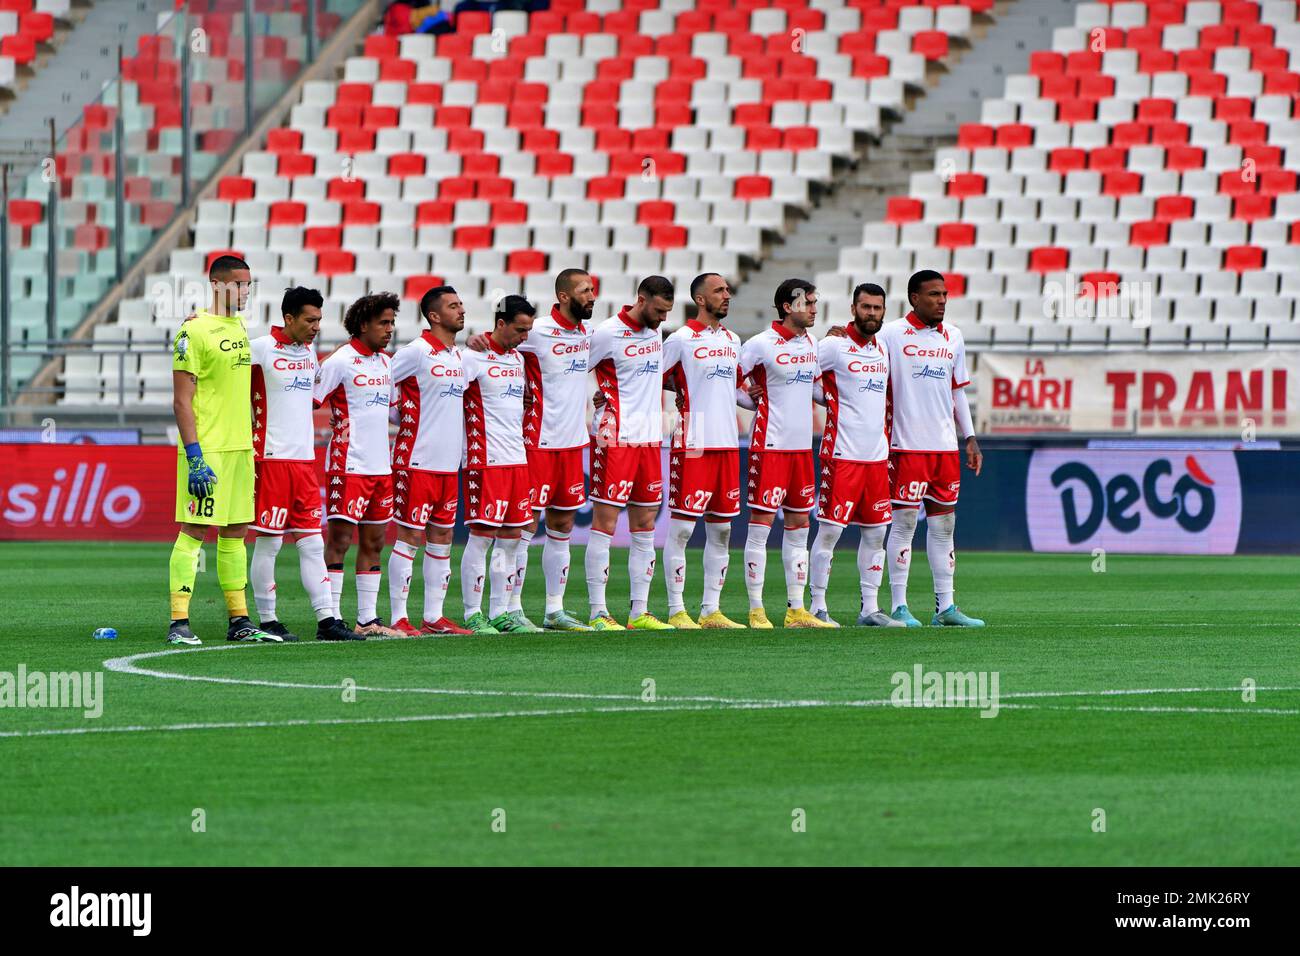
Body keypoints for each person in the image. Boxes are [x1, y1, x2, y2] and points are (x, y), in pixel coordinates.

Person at [166, 254, 277, 645]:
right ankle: (179, 623)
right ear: (217, 285)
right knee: (195, 529)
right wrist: (194, 455)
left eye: (249, 284)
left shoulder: (240, 327)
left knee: (235, 533)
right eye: (239, 284)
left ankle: (239, 620)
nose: (246, 291)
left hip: (239, 448)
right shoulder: (192, 331)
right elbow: (182, 400)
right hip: (207, 451)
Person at [249, 287, 364, 642]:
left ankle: (327, 620)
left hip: (303, 462)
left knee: (313, 543)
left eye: (319, 320)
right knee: (269, 542)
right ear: (289, 319)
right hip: (270, 459)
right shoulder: (259, 349)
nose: (316, 327)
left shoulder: (309, 351)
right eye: (309, 320)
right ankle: (267, 620)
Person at [876, 270, 985, 627]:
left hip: (944, 449)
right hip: (905, 446)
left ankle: (945, 608)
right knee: (905, 522)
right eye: (934, 294)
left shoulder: (953, 336)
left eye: (944, 294)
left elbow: (957, 392)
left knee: (945, 525)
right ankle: (899, 606)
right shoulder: (890, 334)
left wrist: (968, 437)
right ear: (914, 298)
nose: (941, 300)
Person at [738, 279, 836, 629]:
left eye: (814, 301)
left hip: (801, 450)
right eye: (807, 302)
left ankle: (796, 610)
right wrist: (752, 400)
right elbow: (731, 380)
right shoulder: (760, 345)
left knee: (798, 527)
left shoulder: (813, 343)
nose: (813, 308)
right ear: (786, 306)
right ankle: (756, 609)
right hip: (771, 447)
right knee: (760, 529)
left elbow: (816, 388)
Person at [809, 283, 903, 628]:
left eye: (878, 308)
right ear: (853, 309)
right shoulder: (833, 346)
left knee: (876, 534)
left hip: (877, 458)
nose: (872, 314)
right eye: (866, 307)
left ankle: (869, 609)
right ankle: (817, 606)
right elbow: (800, 374)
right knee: (831, 532)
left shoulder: (882, 349)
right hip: (842, 454)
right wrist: (829, 399)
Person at [585, 276, 676, 631]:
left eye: (667, 312)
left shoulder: (655, 333)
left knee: (645, 525)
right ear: (641, 299)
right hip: (615, 437)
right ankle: (597, 612)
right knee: (604, 524)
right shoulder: (607, 333)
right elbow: (572, 368)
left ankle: (639, 611)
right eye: (658, 310)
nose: (663, 319)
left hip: (650, 438)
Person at [660, 272, 746, 629]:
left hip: (728, 442)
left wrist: (754, 397)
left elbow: (736, 388)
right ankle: (676, 609)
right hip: (693, 440)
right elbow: (653, 378)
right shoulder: (681, 339)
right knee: (681, 530)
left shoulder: (733, 340)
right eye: (719, 291)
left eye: (727, 290)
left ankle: (711, 610)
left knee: (722, 530)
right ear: (700, 299)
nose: (726, 296)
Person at [386, 285, 473, 636]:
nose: (461, 311)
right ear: (434, 316)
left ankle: (434, 617)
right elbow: (381, 384)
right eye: (453, 306)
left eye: (461, 304)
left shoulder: (459, 356)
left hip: (448, 463)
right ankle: (397, 617)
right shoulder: (416, 352)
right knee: (409, 537)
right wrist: (400, 417)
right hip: (417, 459)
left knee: (442, 537)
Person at [314, 293, 402, 637]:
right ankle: (332, 618)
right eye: (384, 322)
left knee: (375, 541)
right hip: (347, 464)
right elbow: (311, 398)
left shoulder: (386, 362)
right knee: (339, 539)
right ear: (363, 324)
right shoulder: (340, 360)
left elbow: (392, 410)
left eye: (392, 322)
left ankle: (367, 619)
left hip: (382, 466)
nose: (390, 329)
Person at [459, 295, 540, 634]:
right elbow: (447, 394)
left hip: (516, 459)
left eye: (529, 330)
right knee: (481, 538)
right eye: (520, 330)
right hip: (485, 459)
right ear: (501, 323)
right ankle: (472, 614)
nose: (524, 336)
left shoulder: (518, 359)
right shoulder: (473, 356)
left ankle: (501, 613)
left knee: (510, 539)